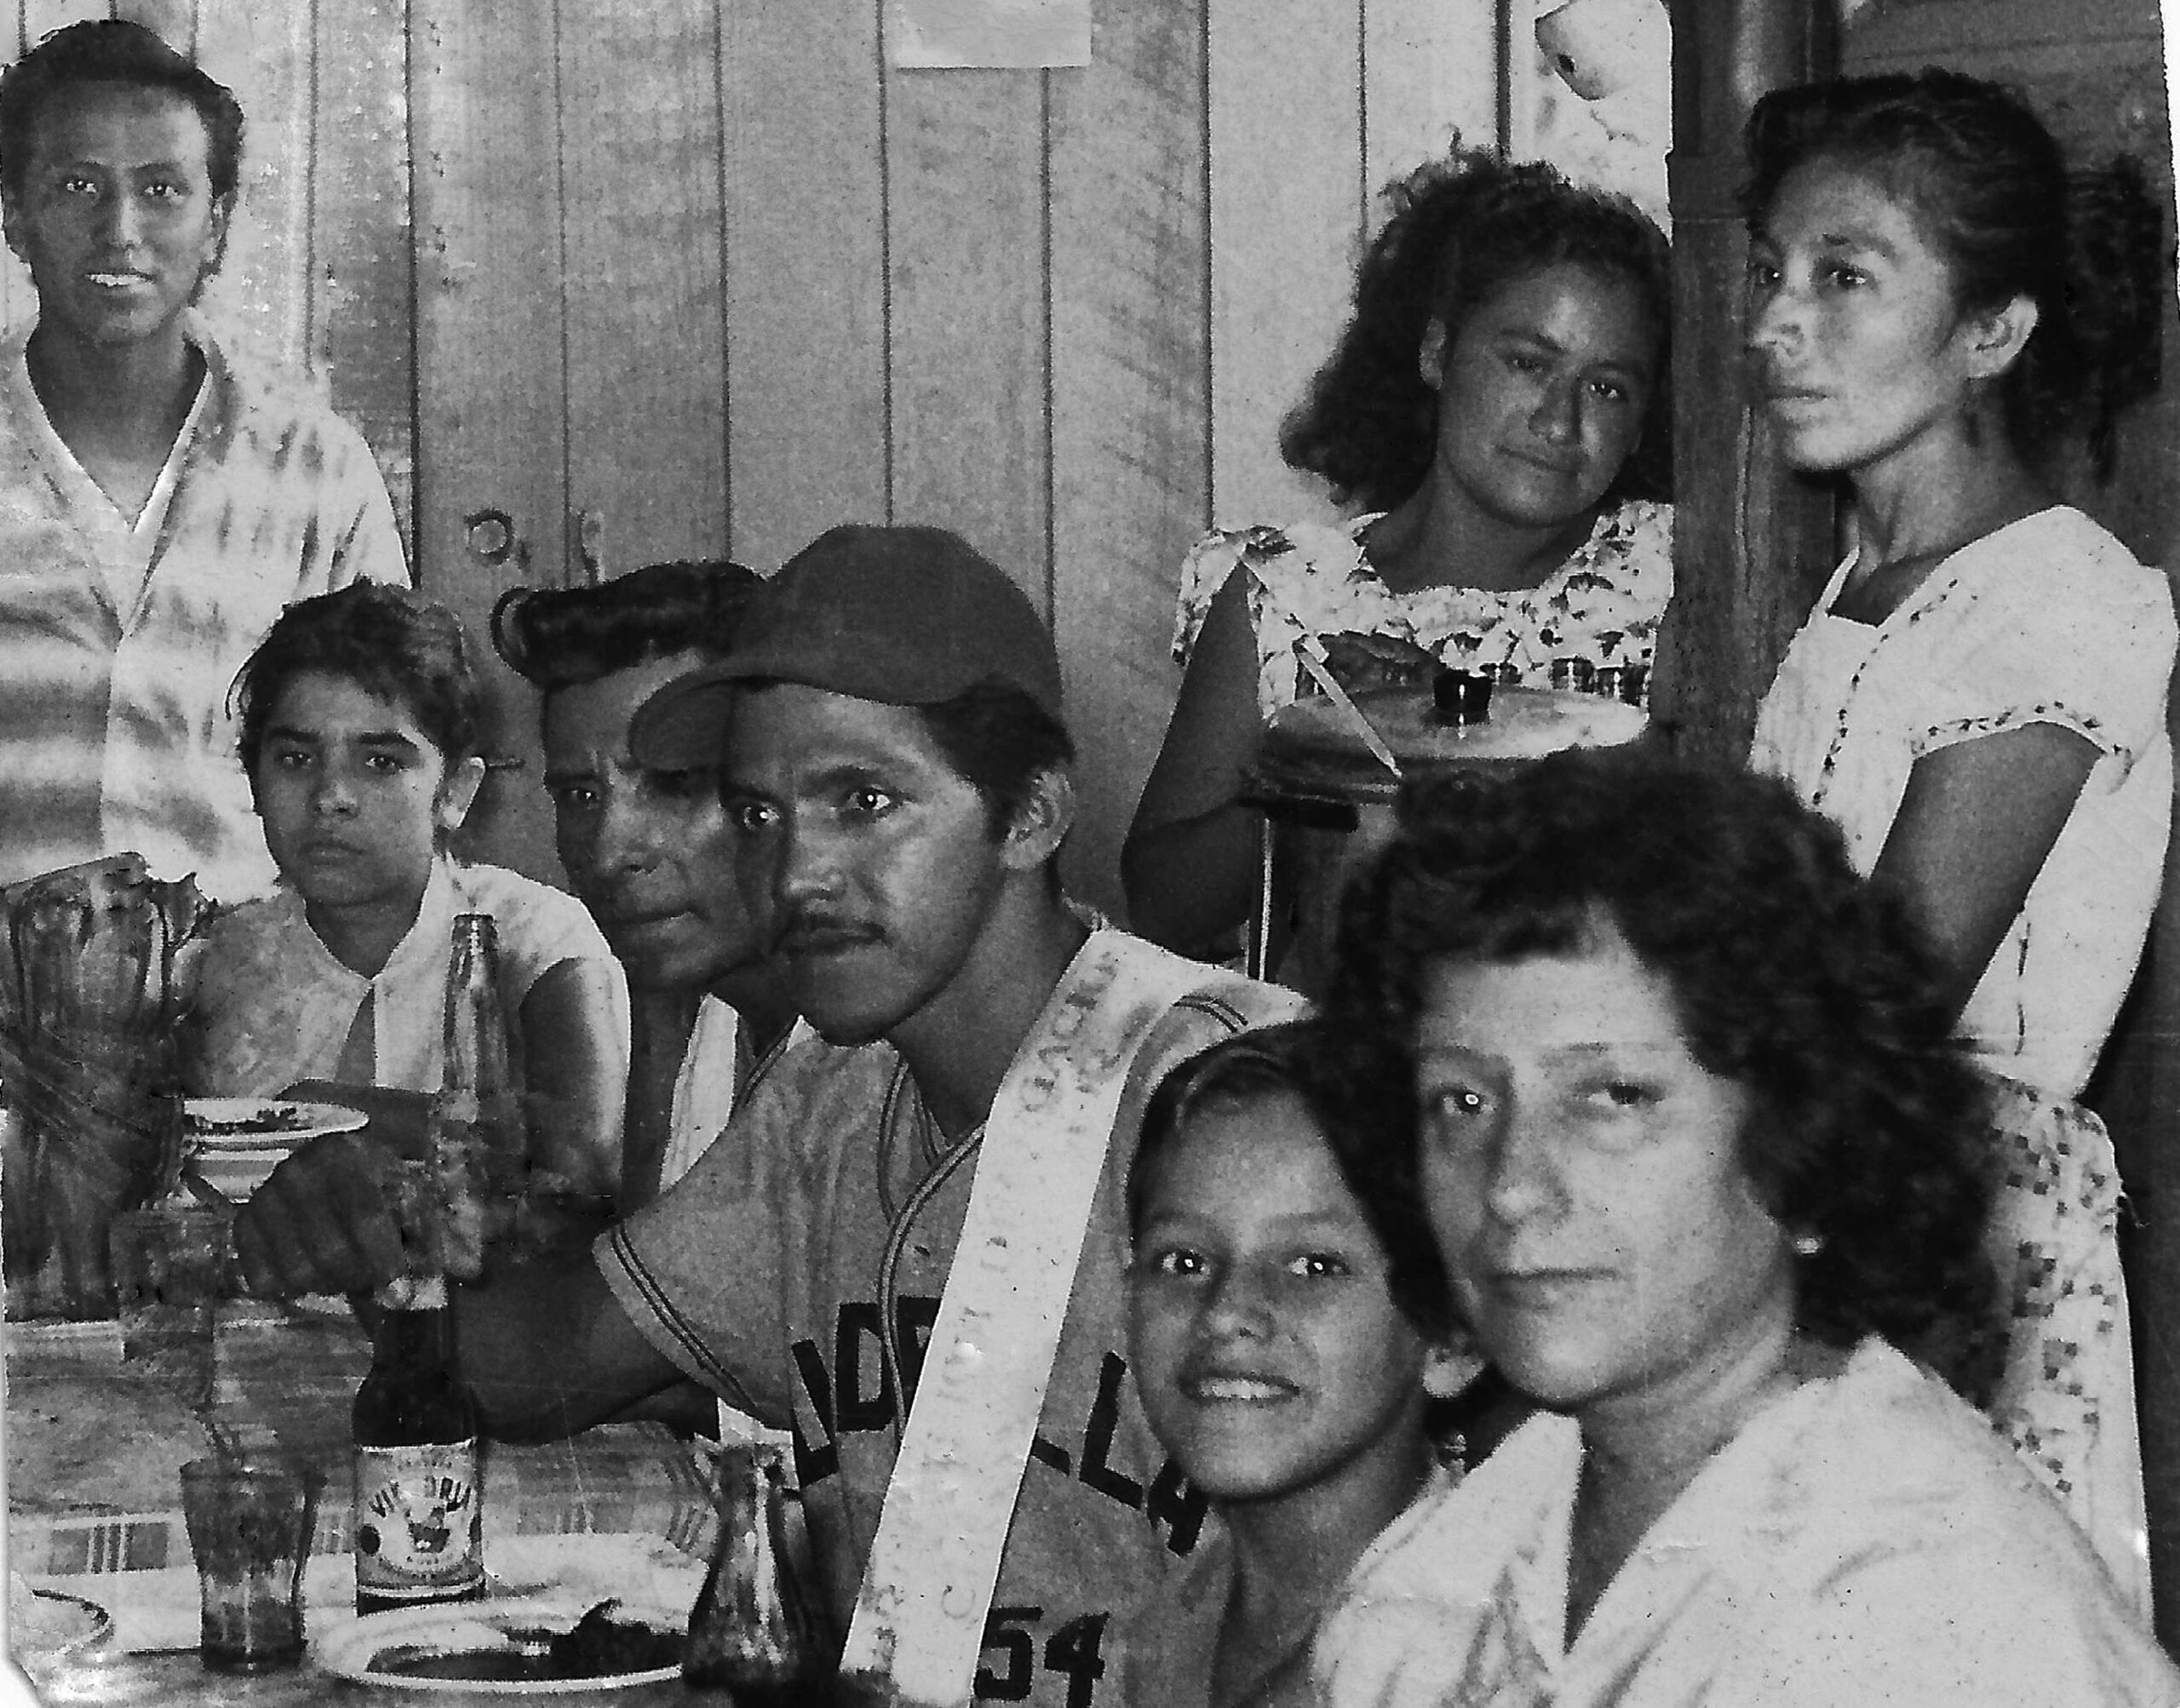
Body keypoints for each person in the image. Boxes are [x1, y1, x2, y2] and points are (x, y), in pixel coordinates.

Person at [232, 524, 1301, 1708]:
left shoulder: (1232, 1099)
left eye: (865, 799)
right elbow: (551, 1364)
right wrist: (377, 1242)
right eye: (759, 812)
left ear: (1031, 814)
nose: (797, 872)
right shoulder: (832, 1096)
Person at [1309, 749, 2180, 1708]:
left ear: (1801, 1145)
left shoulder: (1932, 1614)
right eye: (1462, 1099)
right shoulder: (1466, 1555)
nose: (1512, 1183)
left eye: (1613, 1096)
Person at [1742, 68, 2172, 1608]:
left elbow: (1886, 993)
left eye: (1845, 278)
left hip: (1939, 1235)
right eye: (1773, 274)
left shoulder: (2053, 601)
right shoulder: (1867, 581)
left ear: (1993, 331)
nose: (1778, 323)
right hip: (1814, 1185)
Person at [1123, 145, 1673, 961]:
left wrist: (1452, 730)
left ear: (1642, 423)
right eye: (1528, 363)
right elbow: (1165, 909)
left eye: (1608, 388)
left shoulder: (1673, 576)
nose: (1560, 422)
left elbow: (1701, 839)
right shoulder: (1284, 596)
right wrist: (1334, 751)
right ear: (1437, 354)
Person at [0, 19, 408, 900]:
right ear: (14, 215)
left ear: (215, 225)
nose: (120, 229)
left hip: (245, 1005)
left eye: (161, 189)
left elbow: (386, 766)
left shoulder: (317, 472)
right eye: (77, 186)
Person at [182, 582, 629, 1200]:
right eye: (294, 758)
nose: (330, 795)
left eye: (380, 763)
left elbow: (588, 1150)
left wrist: (322, 1114)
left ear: (455, 793)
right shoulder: (216, 962)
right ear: (253, 780)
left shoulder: (532, 934)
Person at [1111, 1019, 1466, 1708]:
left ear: (1451, 1339)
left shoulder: (1471, 1667)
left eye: (1313, 1266)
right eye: (1184, 1262)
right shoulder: (1171, 1625)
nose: (1225, 1312)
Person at [492, 560, 796, 1212]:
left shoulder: (878, 1055)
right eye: (580, 795)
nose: (607, 853)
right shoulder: (713, 1013)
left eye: (674, 784)